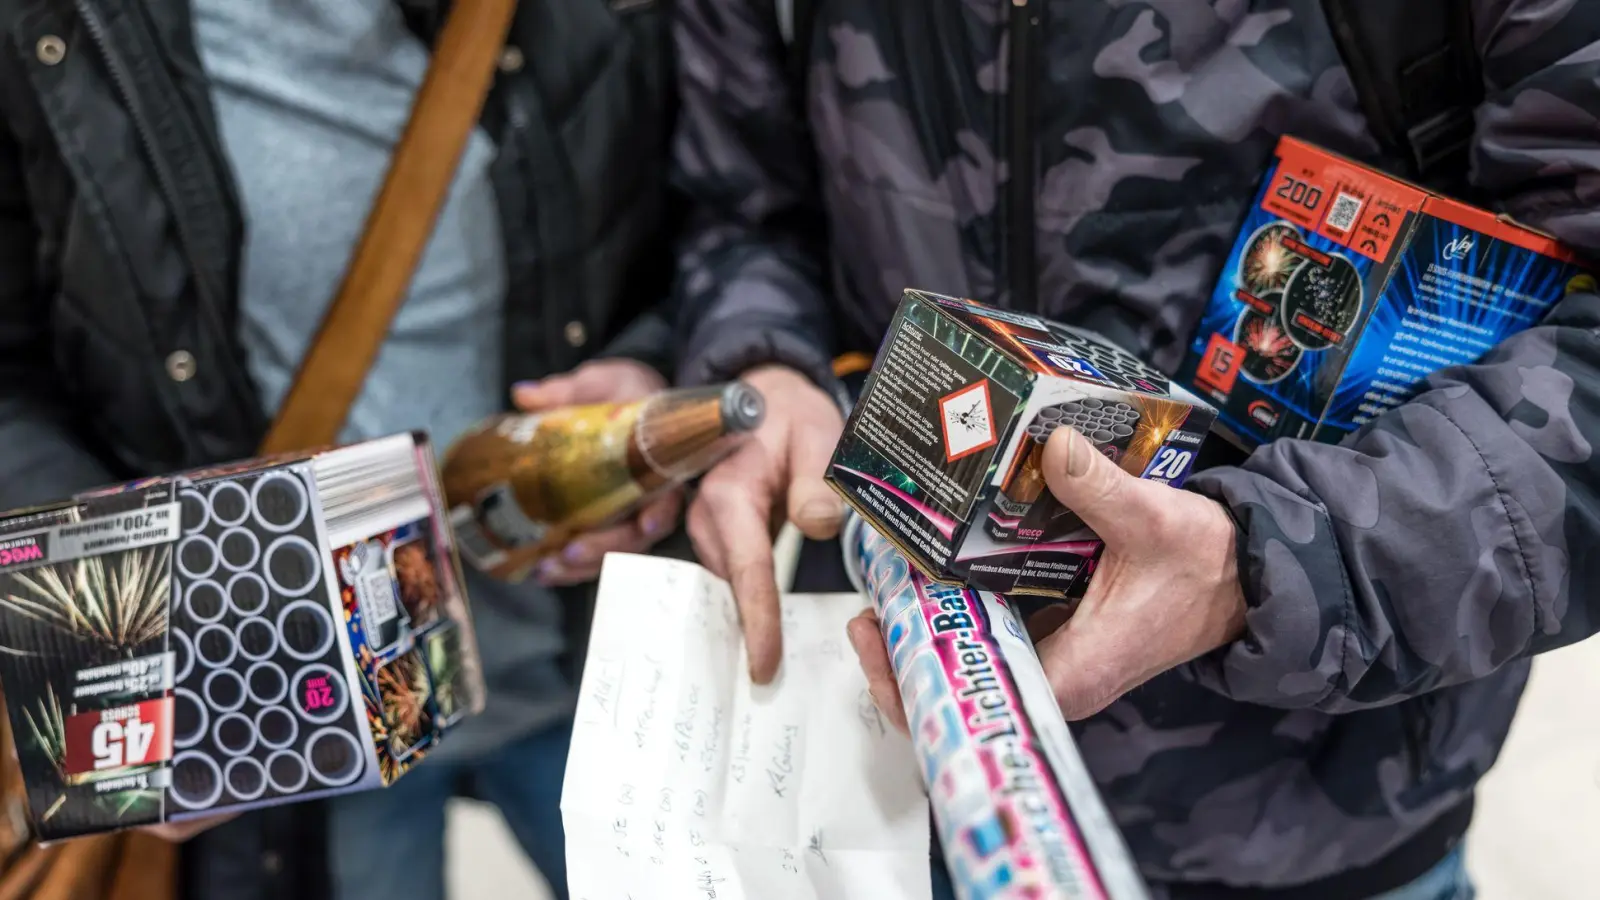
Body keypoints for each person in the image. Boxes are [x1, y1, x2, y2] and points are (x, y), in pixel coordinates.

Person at [667, 2, 1600, 898]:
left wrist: (1267, 563)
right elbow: (741, 203)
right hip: (902, 786)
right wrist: (765, 368)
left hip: (1315, 807)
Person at [0, 0, 678, 898]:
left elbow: (736, 201)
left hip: (599, 643)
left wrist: (660, 370)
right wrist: (103, 629)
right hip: (292, 713)